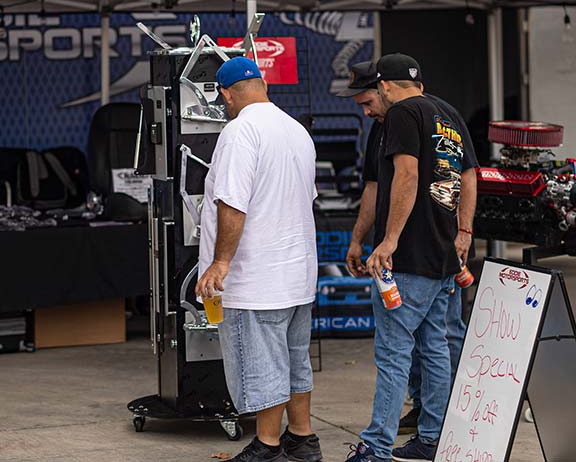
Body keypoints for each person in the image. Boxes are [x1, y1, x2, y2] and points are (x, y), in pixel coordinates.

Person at [344, 54, 474, 462]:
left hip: (410, 256)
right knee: (435, 346)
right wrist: (465, 232)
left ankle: (377, 447)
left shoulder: (402, 114)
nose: (369, 109)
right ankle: (433, 438)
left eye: (370, 99)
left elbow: (408, 175)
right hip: (442, 254)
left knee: (394, 353)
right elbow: (469, 175)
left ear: (384, 85)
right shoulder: (447, 113)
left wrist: (389, 241)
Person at [195, 57, 322, 462]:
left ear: (227, 94)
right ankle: (302, 439)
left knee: (262, 363)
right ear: (262, 85)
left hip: (258, 277)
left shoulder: (240, 130)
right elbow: (306, 198)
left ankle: (267, 446)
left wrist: (220, 263)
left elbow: (232, 202)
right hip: (297, 272)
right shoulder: (297, 130)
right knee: (294, 359)